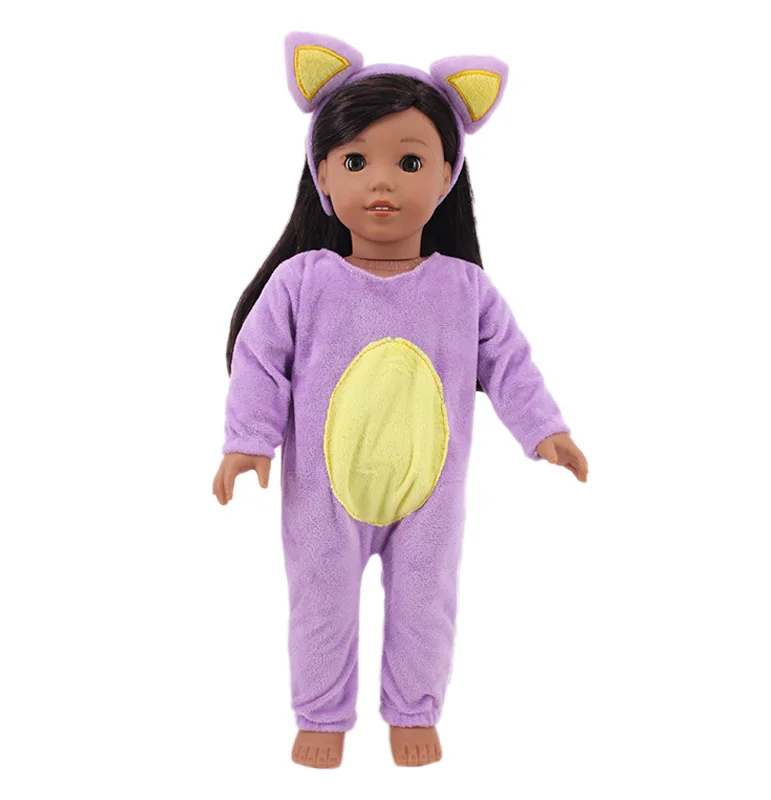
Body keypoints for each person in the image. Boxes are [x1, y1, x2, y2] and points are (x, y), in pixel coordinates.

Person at [212, 31, 589, 769]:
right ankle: (322, 715)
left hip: (430, 493)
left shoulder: (463, 289)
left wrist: (544, 429)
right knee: (320, 601)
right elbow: (260, 361)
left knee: (426, 600)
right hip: (323, 492)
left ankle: (414, 709)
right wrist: (248, 440)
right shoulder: (303, 282)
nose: (381, 182)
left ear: (446, 175)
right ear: (322, 172)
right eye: (356, 161)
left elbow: (509, 364)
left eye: (409, 162)